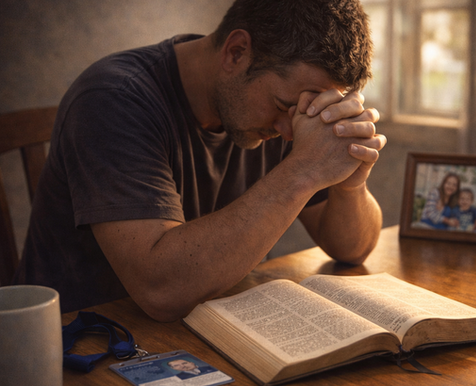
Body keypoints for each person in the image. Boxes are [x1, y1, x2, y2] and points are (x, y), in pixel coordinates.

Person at [14, 0, 387, 321]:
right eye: (284, 107)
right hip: (87, 344)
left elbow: (350, 249)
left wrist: (350, 182)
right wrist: (303, 170)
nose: (289, 132)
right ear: (236, 52)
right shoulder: (113, 99)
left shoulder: (285, 108)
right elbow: (160, 291)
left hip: (207, 326)